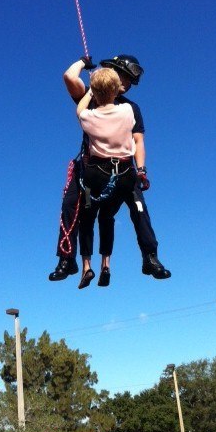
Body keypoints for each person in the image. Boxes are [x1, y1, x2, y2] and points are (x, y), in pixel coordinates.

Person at [49, 54, 171, 282]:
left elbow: (138, 141)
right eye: (124, 78)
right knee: (69, 204)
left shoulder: (130, 108)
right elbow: (69, 79)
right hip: (89, 167)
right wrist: (84, 64)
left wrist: (142, 169)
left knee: (139, 207)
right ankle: (67, 260)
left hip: (123, 167)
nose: (127, 85)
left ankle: (150, 257)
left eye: (130, 82)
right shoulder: (89, 96)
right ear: (112, 73)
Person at [76, 68, 137, 288]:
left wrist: (91, 90)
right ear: (116, 90)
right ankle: (106, 264)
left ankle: (86, 266)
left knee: (87, 219)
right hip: (122, 175)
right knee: (107, 218)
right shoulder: (128, 110)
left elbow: (80, 107)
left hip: (96, 174)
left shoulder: (88, 116)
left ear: (95, 91)